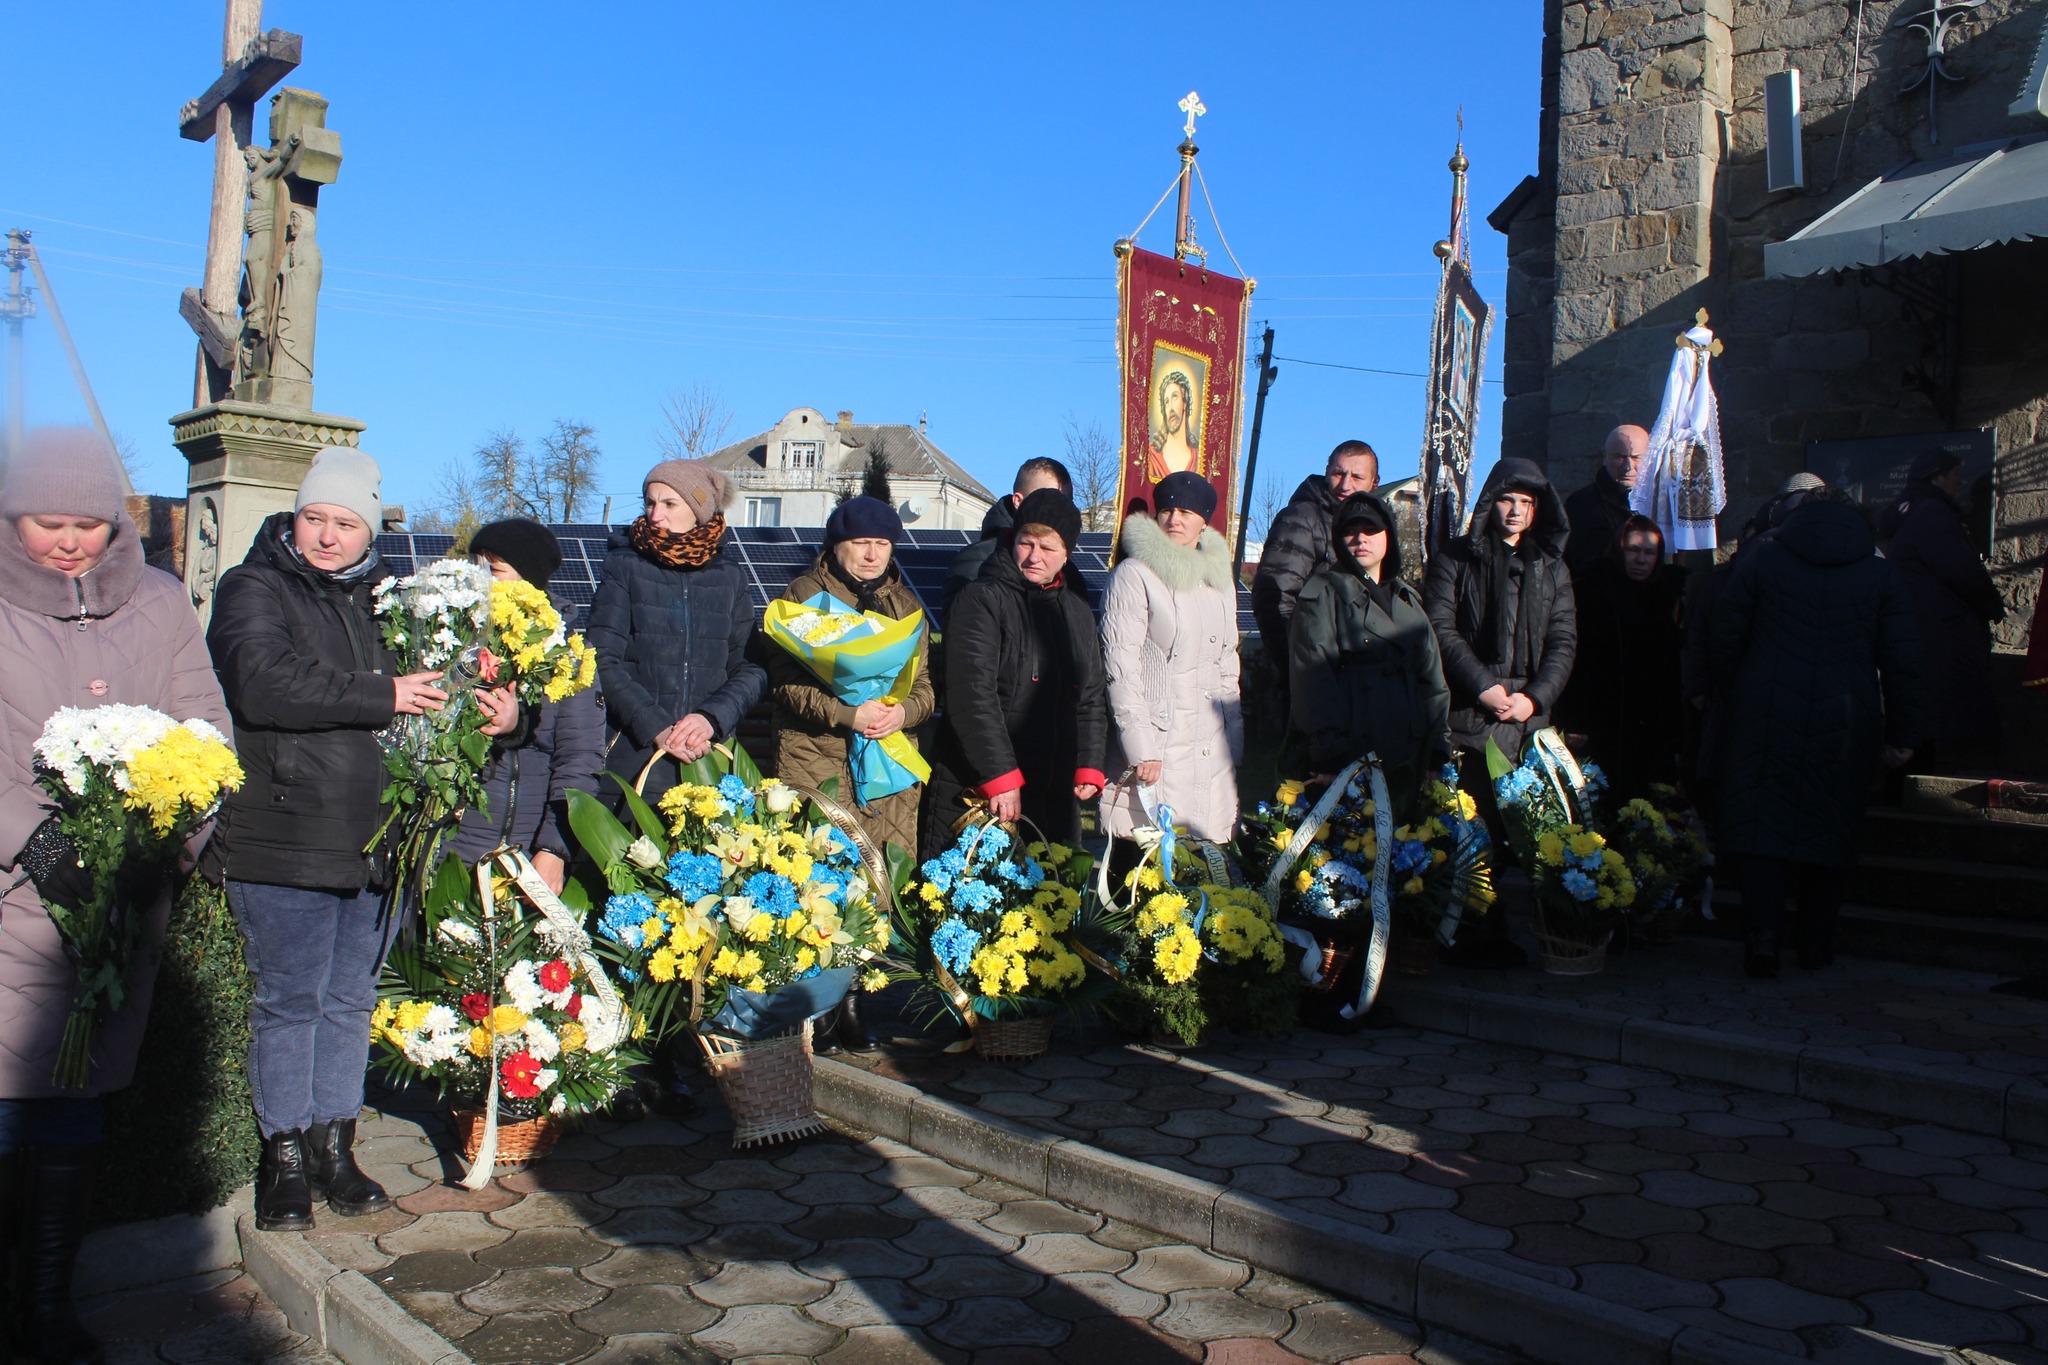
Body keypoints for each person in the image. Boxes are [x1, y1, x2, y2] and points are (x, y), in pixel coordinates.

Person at [209, 451, 515, 1233]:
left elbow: (443, 692)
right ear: (296, 516)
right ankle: (282, 1157)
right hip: (286, 834)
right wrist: (384, 694)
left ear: (368, 530)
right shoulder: (254, 587)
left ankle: (334, 1148)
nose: (328, 536)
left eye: (346, 524)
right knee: (289, 1002)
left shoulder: (391, 603)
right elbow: (262, 681)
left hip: (380, 842)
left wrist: (499, 707)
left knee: (349, 1001)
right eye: (317, 518)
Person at [0, 430, 232, 1365]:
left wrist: (167, 840)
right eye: (46, 522)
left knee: (73, 1105)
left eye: (87, 524)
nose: (67, 541)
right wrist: (31, 836)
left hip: (123, 900)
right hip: (17, 892)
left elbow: (205, 731)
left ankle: (46, 1304)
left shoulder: (162, 602)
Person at [1712, 490, 1921, 978]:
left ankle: (1763, 937)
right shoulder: (1879, 572)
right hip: (1846, 717)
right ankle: (1815, 942)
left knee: (1763, 827)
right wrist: (1904, 731)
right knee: (1831, 828)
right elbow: (1903, 660)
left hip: (1764, 710)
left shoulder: (1764, 559)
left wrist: (1736, 694)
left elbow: (1726, 633)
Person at [763, 497, 933, 1053]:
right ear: (836, 545)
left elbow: (927, 690)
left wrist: (901, 713)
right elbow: (785, 685)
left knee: (877, 879)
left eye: (882, 543)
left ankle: (859, 1000)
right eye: (860, 542)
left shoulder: (906, 604)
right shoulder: (802, 599)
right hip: (818, 756)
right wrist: (846, 713)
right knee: (821, 877)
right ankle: (819, 1007)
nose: (870, 553)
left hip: (886, 764)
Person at [1423, 459, 1576, 968]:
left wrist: (1536, 698)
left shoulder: (1552, 566)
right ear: (1492, 503)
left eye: (1527, 504)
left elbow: (1562, 641)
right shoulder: (1456, 559)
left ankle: (1504, 932)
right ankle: (1468, 933)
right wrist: (1484, 688)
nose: (1515, 512)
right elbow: (1441, 629)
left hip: (1527, 722)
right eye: (1508, 500)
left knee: (1520, 837)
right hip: (1471, 717)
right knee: (1472, 832)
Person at [923, 488, 1106, 857]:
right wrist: (999, 775)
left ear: (1067, 553)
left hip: (1053, 793)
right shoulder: (981, 599)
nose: (1034, 557)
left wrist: (1089, 760)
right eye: (1026, 543)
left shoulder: (1076, 612)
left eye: (1048, 548)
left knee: (1050, 900)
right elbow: (972, 694)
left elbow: (1088, 697)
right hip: (979, 788)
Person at [586, 461, 766, 806]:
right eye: (650, 503)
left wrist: (710, 719)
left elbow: (750, 667)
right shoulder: (624, 566)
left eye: (669, 504)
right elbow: (601, 658)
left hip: (709, 760)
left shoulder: (730, 577)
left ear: (698, 511)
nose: (656, 515)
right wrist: (656, 726)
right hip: (633, 757)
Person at [445, 519, 606, 894]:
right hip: (453, 848)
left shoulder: (568, 655)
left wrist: (554, 849)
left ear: (529, 578)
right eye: (477, 565)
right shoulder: (453, 640)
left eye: (495, 568)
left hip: (525, 848)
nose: (483, 578)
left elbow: (580, 759)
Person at [1098, 472, 1243, 874]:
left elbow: (1228, 663)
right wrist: (1140, 746)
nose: (1175, 519)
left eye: (1186, 511)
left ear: (1204, 521)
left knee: (1201, 869)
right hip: (1155, 747)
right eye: (1167, 510)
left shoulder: (1219, 581)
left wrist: (1234, 735)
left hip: (1209, 746)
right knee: (1140, 865)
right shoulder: (1135, 574)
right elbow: (1120, 666)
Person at [1289, 490, 1451, 794]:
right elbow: (1313, 678)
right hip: (1352, 757)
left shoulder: (1409, 600)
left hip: (1411, 756)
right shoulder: (1322, 594)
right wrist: (1327, 753)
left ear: (1387, 534)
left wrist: (1438, 746)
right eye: (1350, 531)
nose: (1360, 539)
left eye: (1370, 530)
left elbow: (1432, 680)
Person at [1879, 450, 2005, 763]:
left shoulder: (1909, 511)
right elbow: (1961, 569)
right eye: (1955, 474)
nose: (1960, 482)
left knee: (1922, 713)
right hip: (1941, 629)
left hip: (1920, 626)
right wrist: (1991, 604)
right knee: (1939, 717)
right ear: (1937, 476)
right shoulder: (1933, 514)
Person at [1557, 514, 1684, 805]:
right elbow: (1577, 661)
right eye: (1634, 550)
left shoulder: (1663, 598)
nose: (1641, 559)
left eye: (1649, 552)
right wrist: (1574, 719)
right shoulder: (1590, 591)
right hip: (1600, 721)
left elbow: (1669, 670)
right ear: (1619, 550)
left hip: (1646, 728)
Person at [1251, 440, 1380, 680]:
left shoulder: (1375, 530)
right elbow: (1274, 598)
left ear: (1374, 483)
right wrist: (1300, 668)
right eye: (1338, 473)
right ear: (1327, 471)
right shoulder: (1303, 519)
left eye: (1357, 477)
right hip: (1314, 675)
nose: (1345, 484)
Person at [943, 457, 1072, 628]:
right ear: (1018, 501)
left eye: (1066, 503)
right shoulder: (979, 562)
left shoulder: (1069, 573)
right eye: (1045, 499)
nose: (1058, 510)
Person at [1563, 425, 1649, 580]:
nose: (1628, 467)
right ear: (1605, 457)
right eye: (1619, 457)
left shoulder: (1660, 505)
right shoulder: (1581, 505)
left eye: (1637, 457)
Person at [1147, 369, 1199, 480]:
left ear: (1185, 402)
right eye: (1166, 402)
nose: (1170, 408)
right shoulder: (1152, 457)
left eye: (1174, 397)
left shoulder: (1199, 458)